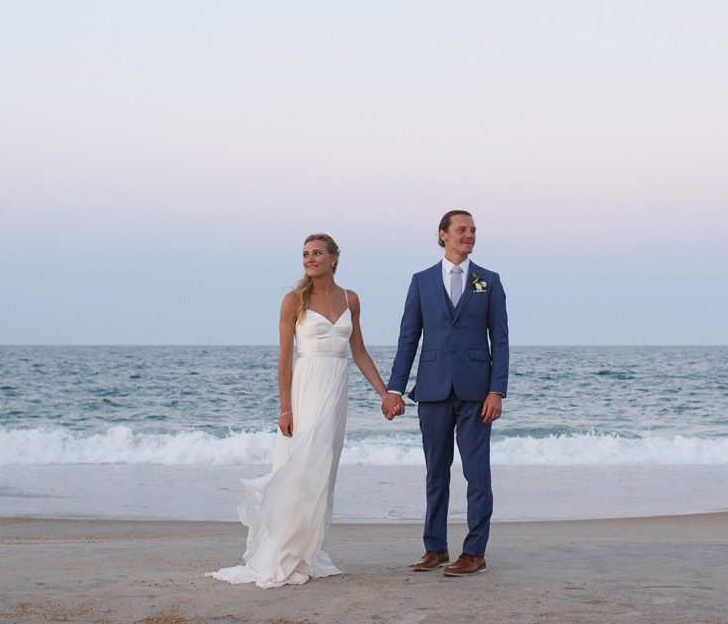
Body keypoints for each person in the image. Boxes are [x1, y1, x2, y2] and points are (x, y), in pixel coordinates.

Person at [209, 233, 393, 588]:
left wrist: (384, 394)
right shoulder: (293, 300)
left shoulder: (350, 299)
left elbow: (359, 352)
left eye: (317, 253)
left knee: (323, 471)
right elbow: (284, 360)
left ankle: (309, 553)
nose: (309, 259)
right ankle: (284, 552)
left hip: (336, 387)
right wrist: (285, 409)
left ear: (334, 258)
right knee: (300, 467)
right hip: (306, 386)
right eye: (305, 254)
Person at [382, 210, 509, 577]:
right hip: (433, 388)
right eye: (462, 229)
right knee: (435, 473)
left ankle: (474, 553)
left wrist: (497, 390)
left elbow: (500, 339)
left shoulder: (489, 281)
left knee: (477, 473)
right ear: (443, 235)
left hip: (476, 392)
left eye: (473, 230)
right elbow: (409, 338)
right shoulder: (421, 281)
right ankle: (435, 548)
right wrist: (395, 388)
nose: (469, 235)